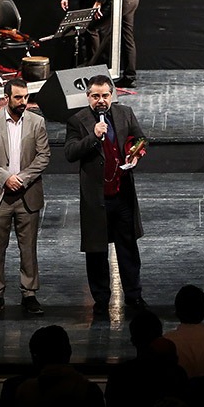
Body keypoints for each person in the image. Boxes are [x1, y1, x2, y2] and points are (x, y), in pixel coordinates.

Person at [64, 73, 149, 316]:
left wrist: (135, 153)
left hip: (122, 194)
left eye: (105, 95)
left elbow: (140, 139)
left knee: (128, 248)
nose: (101, 100)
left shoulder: (125, 114)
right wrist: (93, 136)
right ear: (88, 97)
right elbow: (70, 152)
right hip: (96, 197)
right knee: (96, 250)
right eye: (95, 96)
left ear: (112, 95)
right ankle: (101, 299)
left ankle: (134, 295)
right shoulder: (77, 121)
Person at [0, 77, 51, 318]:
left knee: (28, 248)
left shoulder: (37, 122)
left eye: (26, 97)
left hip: (27, 193)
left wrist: (22, 178)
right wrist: (5, 178)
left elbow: (43, 156)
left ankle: (29, 294)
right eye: (18, 97)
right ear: (6, 97)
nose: (23, 101)